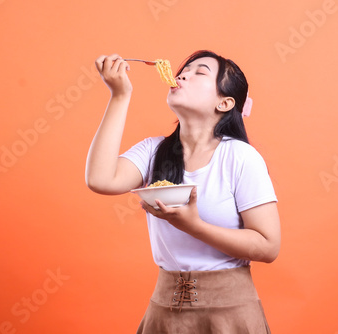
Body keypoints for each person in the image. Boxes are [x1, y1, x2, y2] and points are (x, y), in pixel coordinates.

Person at [86, 50, 281, 333]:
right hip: (164, 312)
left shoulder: (240, 157)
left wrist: (194, 226)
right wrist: (119, 95)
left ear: (225, 103)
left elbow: (268, 246)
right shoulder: (153, 152)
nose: (182, 75)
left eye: (199, 72)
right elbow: (100, 179)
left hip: (231, 315)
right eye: (183, 71)